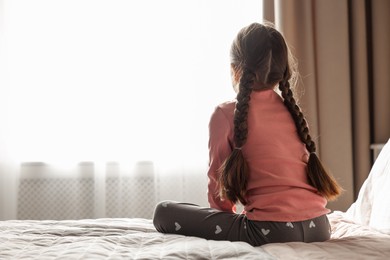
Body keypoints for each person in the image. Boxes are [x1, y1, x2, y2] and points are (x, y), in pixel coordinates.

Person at [152, 22, 342, 246]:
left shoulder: (225, 114)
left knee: (162, 212)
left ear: (235, 69)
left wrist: (225, 217)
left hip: (270, 230)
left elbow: (218, 187)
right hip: (320, 227)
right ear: (281, 72)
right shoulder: (293, 112)